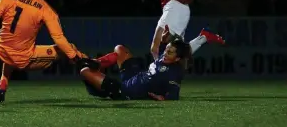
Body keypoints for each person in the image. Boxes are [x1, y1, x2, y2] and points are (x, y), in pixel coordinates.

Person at [80, 26, 225, 100]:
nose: (165, 53)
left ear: (177, 59)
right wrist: (163, 40)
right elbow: (177, 50)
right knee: (120, 49)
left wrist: (163, 98)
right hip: (134, 75)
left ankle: (96, 75)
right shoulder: (168, 57)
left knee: (84, 71)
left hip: (126, 91)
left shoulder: (174, 73)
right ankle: (97, 63)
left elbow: (174, 94)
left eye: (170, 52)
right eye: (167, 49)